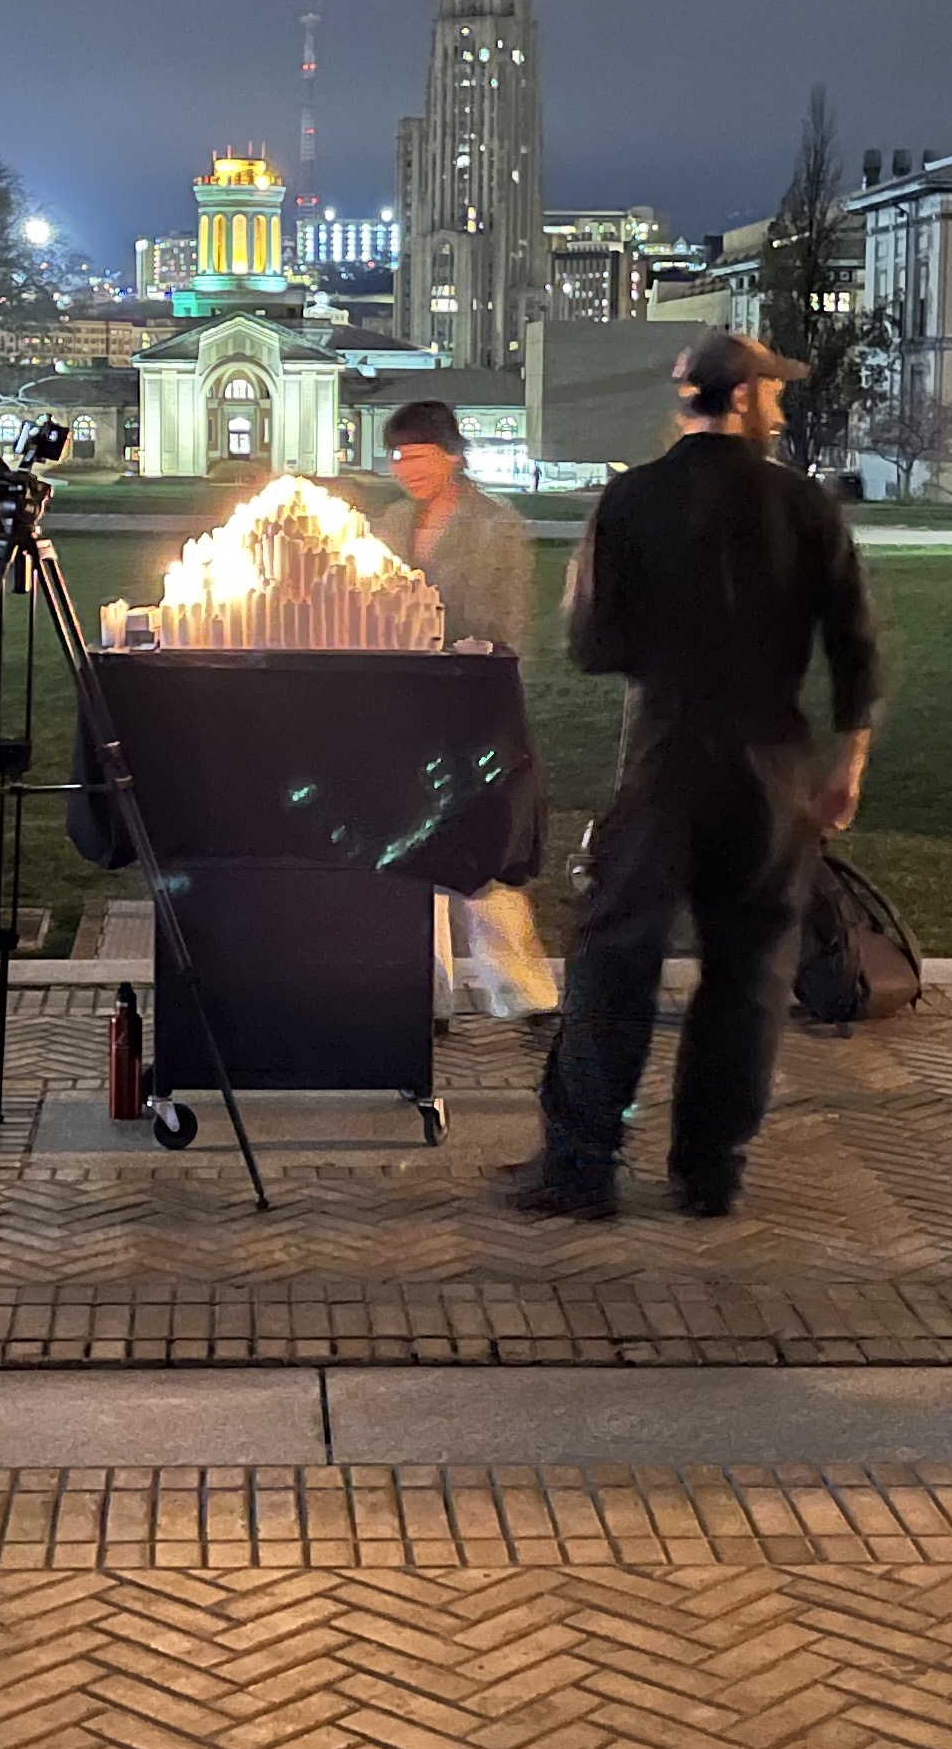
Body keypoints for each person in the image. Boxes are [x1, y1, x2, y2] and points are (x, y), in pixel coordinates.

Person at [498, 331, 880, 1220]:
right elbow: (854, 644)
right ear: (741, 396)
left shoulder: (632, 498)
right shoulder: (804, 504)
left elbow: (595, 647)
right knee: (748, 971)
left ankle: (581, 1163)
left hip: (667, 757)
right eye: (773, 392)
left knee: (614, 956)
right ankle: (710, 1170)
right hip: (772, 769)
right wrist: (848, 758)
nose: (780, 407)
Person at [373, 398, 556, 1019]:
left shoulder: (498, 527)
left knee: (483, 847)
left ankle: (523, 992)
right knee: (413, 846)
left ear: (451, 454)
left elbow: (512, 625)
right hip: (404, 707)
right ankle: (428, 994)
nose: (406, 468)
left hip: (475, 703)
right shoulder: (388, 525)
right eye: (396, 456)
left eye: (418, 455)